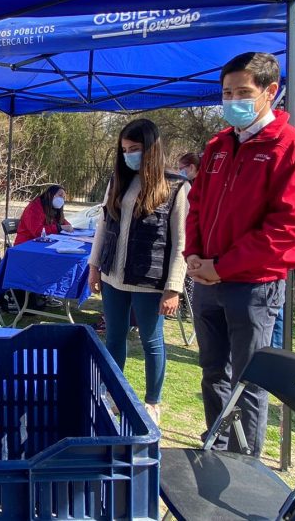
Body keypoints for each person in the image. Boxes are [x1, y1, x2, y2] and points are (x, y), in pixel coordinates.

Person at [185, 52, 295, 457]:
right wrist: (195, 256)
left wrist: (222, 266)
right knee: (213, 373)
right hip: (206, 281)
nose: (232, 100)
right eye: (227, 92)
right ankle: (216, 445)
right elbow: (198, 206)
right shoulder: (218, 145)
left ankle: (247, 464)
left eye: (243, 92)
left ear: (271, 92)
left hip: (253, 286)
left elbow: (288, 227)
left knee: (249, 380)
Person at [88, 118, 188, 425]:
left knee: (151, 340)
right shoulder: (117, 182)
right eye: (125, 149)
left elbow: (182, 240)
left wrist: (173, 287)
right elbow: (102, 228)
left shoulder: (176, 187)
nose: (129, 155)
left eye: (135, 149)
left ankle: (152, 402)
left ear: (151, 149)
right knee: (114, 337)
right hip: (113, 277)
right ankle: (114, 393)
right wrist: (94, 268)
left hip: (149, 281)